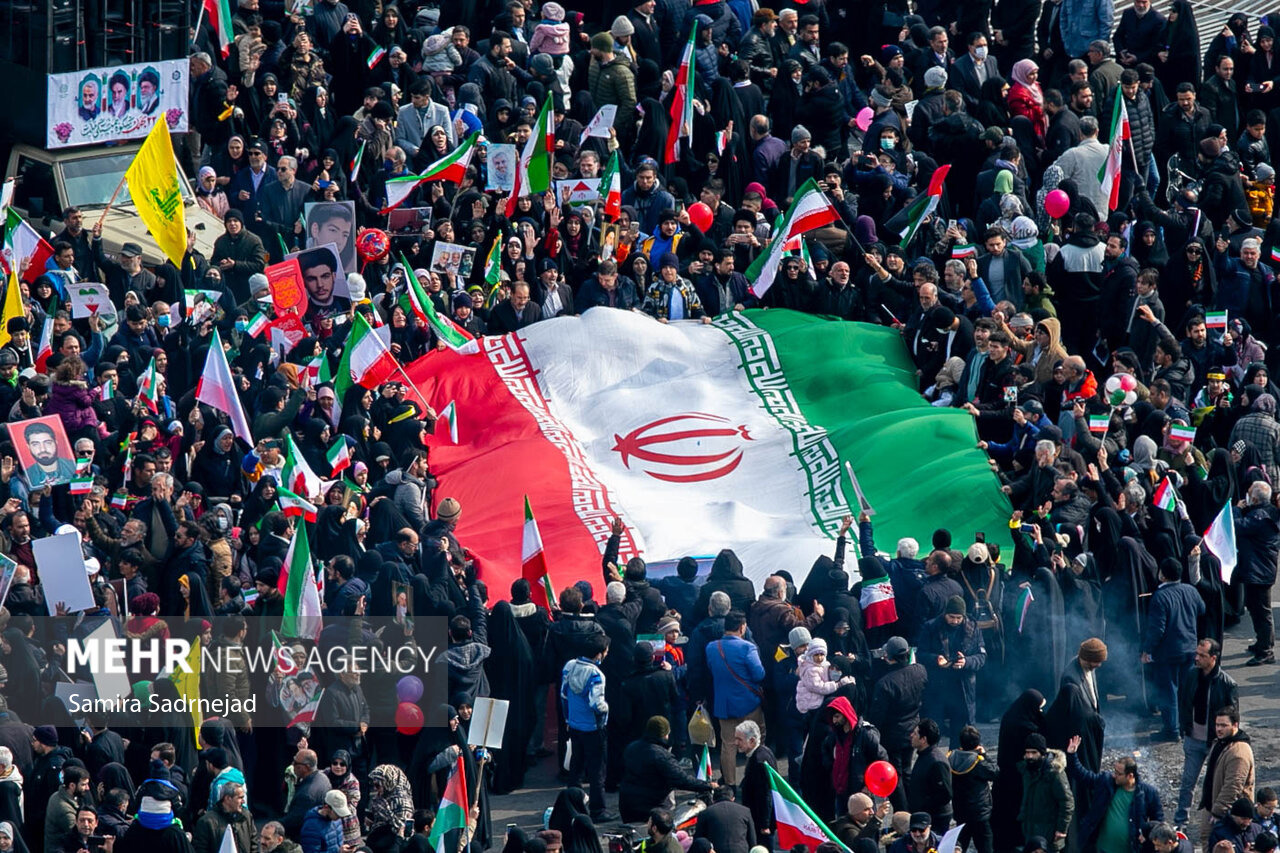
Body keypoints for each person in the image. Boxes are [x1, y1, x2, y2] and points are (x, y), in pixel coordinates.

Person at [1141, 559, 1206, 740]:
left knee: (1168, 692)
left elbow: (1157, 629)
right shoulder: (1190, 590)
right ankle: (1187, 727)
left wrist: (1147, 650)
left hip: (1168, 653)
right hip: (1190, 648)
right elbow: (1202, 609)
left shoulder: (1160, 597)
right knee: (1186, 691)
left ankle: (1172, 730)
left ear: (1162, 575)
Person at [1065, 736, 1163, 853]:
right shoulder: (1106, 782)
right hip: (1102, 849)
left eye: (1118, 773)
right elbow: (1083, 776)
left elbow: (1158, 822)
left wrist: (1147, 838)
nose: (1114, 775)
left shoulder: (1148, 793)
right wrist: (1072, 755)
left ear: (1130, 776)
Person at [561, 632, 614, 822]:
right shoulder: (596, 674)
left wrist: (568, 719)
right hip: (593, 728)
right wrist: (608, 709)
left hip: (575, 725)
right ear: (599, 654)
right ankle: (598, 810)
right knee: (597, 771)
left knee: (576, 768)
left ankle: (572, 806)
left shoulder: (569, 666)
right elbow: (596, 704)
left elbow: (564, 696)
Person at [1199, 707, 1256, 845]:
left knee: (1223, 845)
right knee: (1206, 838)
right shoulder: (1221, 742)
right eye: (1217, 725)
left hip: (1229, 813)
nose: (1219, 729)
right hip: (1212, 803)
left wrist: (1218, 811)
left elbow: (1233, 786)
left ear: (1235, 725)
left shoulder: (1239, 752)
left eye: (1224, 725)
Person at [1018, 734, 1073, 851]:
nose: (1030, 756)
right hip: (1031, 829)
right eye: (1027, 752)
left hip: (1049, 832)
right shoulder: (1027, 770)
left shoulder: (1055, 773)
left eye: (1033, 752)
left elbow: (1067, 802)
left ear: (1042, 753)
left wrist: (1061, 829)